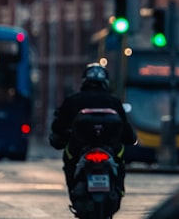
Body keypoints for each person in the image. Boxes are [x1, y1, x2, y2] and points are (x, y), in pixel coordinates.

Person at [49, 63, 136, 197]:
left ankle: (73, 189)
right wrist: (130, 139)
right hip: (110, 147)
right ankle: (119, 188)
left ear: (84, 81)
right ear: (105, 82)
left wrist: (62, 134)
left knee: (69, 158)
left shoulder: (73, 100)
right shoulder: (114, 102)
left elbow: (58, 126)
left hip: (79, 146)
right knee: (120, 159)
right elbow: (125, 129)